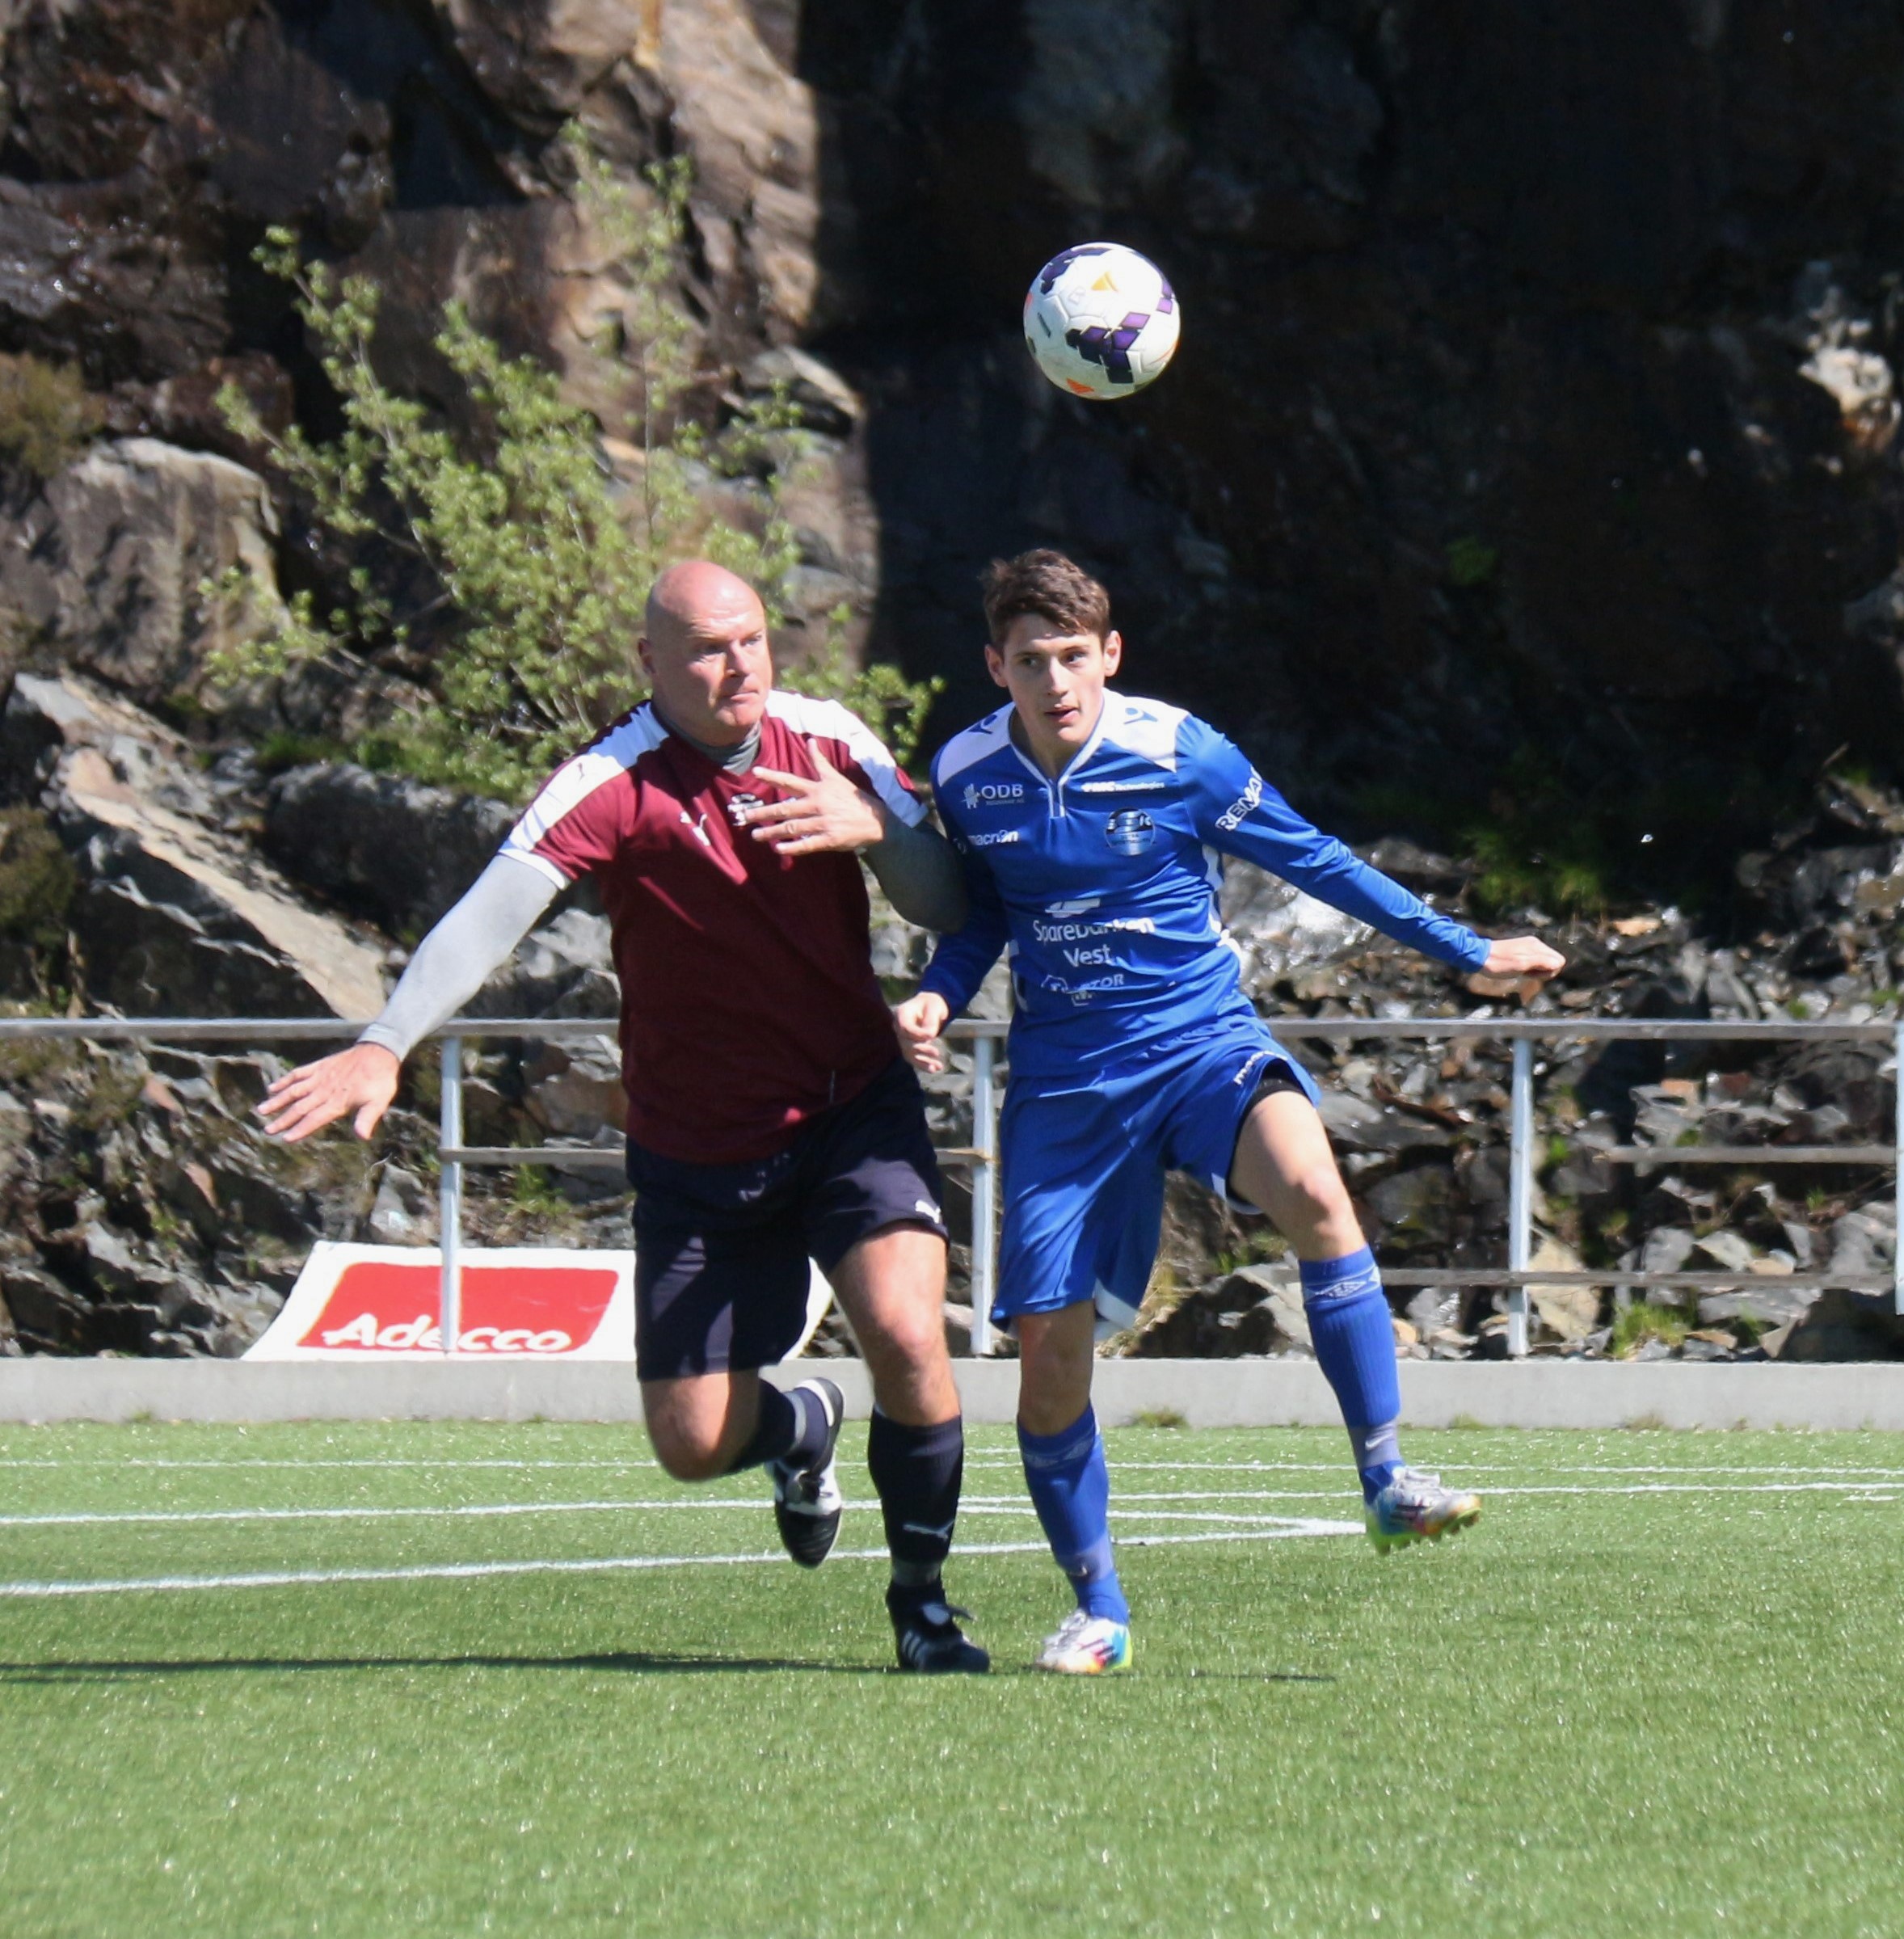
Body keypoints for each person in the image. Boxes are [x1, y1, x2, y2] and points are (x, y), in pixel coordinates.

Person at [259, 560, 990, 1674]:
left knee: (904, 1333)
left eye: (749, 638)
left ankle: (923, 1604)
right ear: (649, 662)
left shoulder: (829, 739)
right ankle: (799, 1428)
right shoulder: (607, 781)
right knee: (692, 1447)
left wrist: (876, 829)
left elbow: (947, 901)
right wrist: (384, 1042)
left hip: (852, 1104)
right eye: (704, 646)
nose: (736, 663)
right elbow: (482, 920)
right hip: (701, 1146)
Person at [893, 549, 1565, 1675]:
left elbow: (1314, 859)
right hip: (1065, 1084)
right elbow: (979, 921)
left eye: (1073, 656)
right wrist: (935, 994)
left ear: (1110, 655)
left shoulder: (1179, 754)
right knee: (1049, 1356)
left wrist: (1469, 950)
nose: (1055, 680)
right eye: (1029, 661)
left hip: (1199, 1041)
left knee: (1311, 1187)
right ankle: (1096, 1607)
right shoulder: (965, 774)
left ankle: (1388, 1478)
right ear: (993, 667)